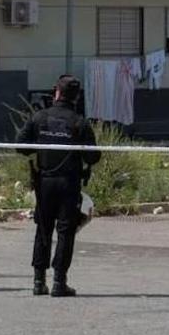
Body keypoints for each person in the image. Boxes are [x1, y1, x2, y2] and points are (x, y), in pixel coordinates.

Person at [17, 75, 99, 297]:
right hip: (68, 184)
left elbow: (20, 146)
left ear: (56, 93)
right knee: (65, 231)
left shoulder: (39, 117)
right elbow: (93, 158)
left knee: (43, 229)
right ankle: (59, 282)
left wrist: (41, 145)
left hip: (44, 182)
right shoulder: (79, 122)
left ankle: (38, 281)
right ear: (76, 96)